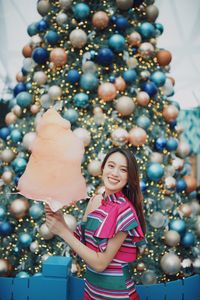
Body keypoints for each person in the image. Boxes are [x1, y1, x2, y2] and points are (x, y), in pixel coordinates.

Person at [46, 147, 147, 300]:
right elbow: (83, 247)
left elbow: (100, 263)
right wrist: (60, 220)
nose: (114, 173)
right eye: (111, 166)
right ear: (103, 168)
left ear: (129, 177)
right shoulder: (95, 200)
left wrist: (63, 232)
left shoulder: (125, 211)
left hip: (118, 295)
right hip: (91, 292)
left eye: (123, 170)